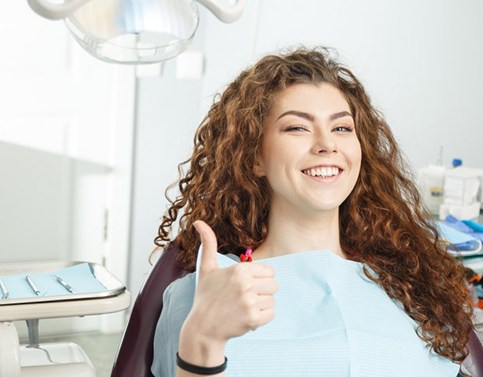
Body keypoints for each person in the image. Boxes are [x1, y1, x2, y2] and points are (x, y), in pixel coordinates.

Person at [151, 47, 474, 377]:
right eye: (297, 128)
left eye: (342, 128)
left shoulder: (412, 286)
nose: (326, 144)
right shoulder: (206, 292)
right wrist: (203, 340)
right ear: (254, 158)